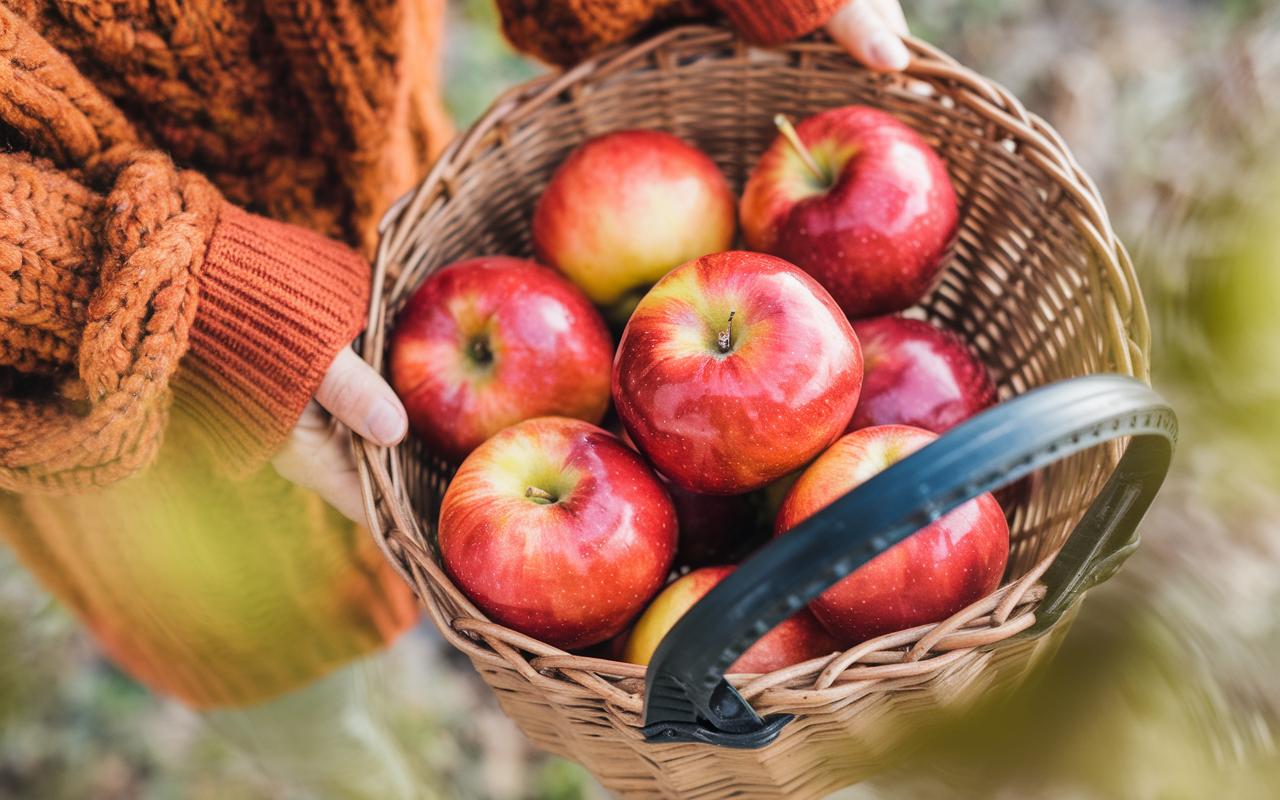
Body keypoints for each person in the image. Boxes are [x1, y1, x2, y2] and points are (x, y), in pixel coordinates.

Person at [0, 0, 907, 791]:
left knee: (481, 571)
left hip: (404, 244)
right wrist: (159, 297)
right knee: (307, 701)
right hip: (144, 432)